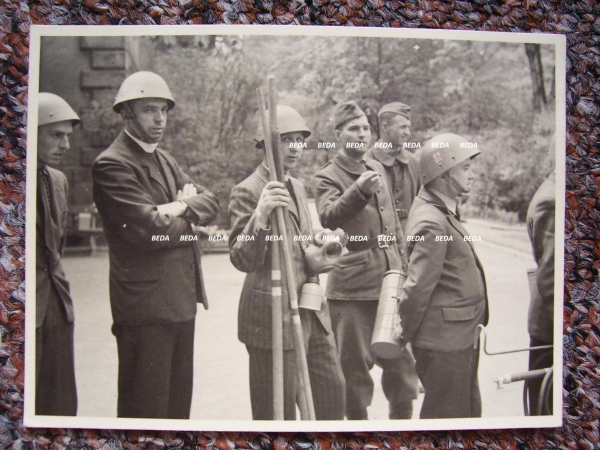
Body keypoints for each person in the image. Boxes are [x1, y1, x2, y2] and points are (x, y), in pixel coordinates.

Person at [92, 71, 219, 419]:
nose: (160, 118)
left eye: (163, 110)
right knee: (145, 415)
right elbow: (148, 229)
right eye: (149, 110)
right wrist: (188, 217)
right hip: (145, 311)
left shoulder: (165, 160)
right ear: (127, 113)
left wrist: (175, 207)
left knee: (178, 414)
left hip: (180, 303)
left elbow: (211, 201)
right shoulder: (112, 164)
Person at [228, 105, 345, 420]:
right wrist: (260, 215)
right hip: (271, 318)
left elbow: (300, 242)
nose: (296, 147)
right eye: (287, 140)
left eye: (300, 140)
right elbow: (241, 258)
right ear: (266, 143)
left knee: (332, 397)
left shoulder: (297, 186)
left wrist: (320, 241)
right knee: (276, 416)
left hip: (309, 311)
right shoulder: (248, 190)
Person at [314, 101, 418, 420]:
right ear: (338, 135)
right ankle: (357, 434)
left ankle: (401, 433)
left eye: (365, 128)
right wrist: (358, 191)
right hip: (352, 288)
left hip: (388, 282)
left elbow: (394, 225)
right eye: (353, 129)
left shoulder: (376, 168)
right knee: (354, 372)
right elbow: (328, 217)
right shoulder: (327, 176)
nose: (362, 134)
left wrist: (402, 268)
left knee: (401, 367)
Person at [399, 133, 488, 419]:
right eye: (465, 168)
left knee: (464, 415)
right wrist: (402, 336)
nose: (472, 174)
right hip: (444, 344)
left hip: (456, 338)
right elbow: (417, 289)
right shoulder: (432, 221)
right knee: (446, 421)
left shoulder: (440, 211)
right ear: (443, 173)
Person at [35, 92, 80, 416]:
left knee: (60, 403)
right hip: (21, 307)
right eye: (55, 135)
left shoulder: (59, 180)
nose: (65, 144)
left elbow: (57, 245)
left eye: (67, 136)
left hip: (57, 303)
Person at [525, 133, 555, 415]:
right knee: (545, 413)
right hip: (552, 327)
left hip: (551, 324)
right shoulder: (554, 199)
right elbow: (552, 279)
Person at [366, 102, 421, 231]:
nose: (407, 132)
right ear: (385, 127)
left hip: (410, 239)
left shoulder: (415, 163)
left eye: (408, 127)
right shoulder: (366, 162)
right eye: (402, 127)